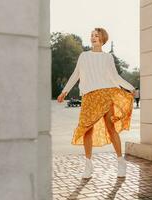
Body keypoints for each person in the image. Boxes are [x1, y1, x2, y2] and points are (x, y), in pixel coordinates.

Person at [57, 28, 135, 179]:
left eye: (96, 36)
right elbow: (76, 74)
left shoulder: (108, 57)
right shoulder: (84, 56)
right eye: (92, 35)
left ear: (103, 39)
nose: (93, 38)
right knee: (87, 130)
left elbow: (114, 76)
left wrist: (130, 87)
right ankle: (88, 165)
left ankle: (120, 162)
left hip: (105, 94)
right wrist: (64, 91)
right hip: (89, 97)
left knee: (111, 128)